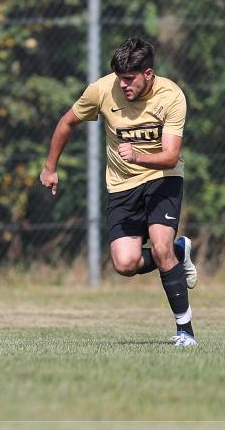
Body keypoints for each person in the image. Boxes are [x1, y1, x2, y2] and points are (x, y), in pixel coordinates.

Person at [39, 37, 199, 347]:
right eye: (120, 78)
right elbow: (67, 122)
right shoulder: (101, 90)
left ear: (148, 74)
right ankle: (181, 251)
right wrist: (49, 167)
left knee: (160, 246)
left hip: (162, 177)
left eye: (129, 79)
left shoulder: (172, 97)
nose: (123, 85)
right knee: (125, 264)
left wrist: (139, 156)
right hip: (123, 185)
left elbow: (170, 155)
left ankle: (185, 333)